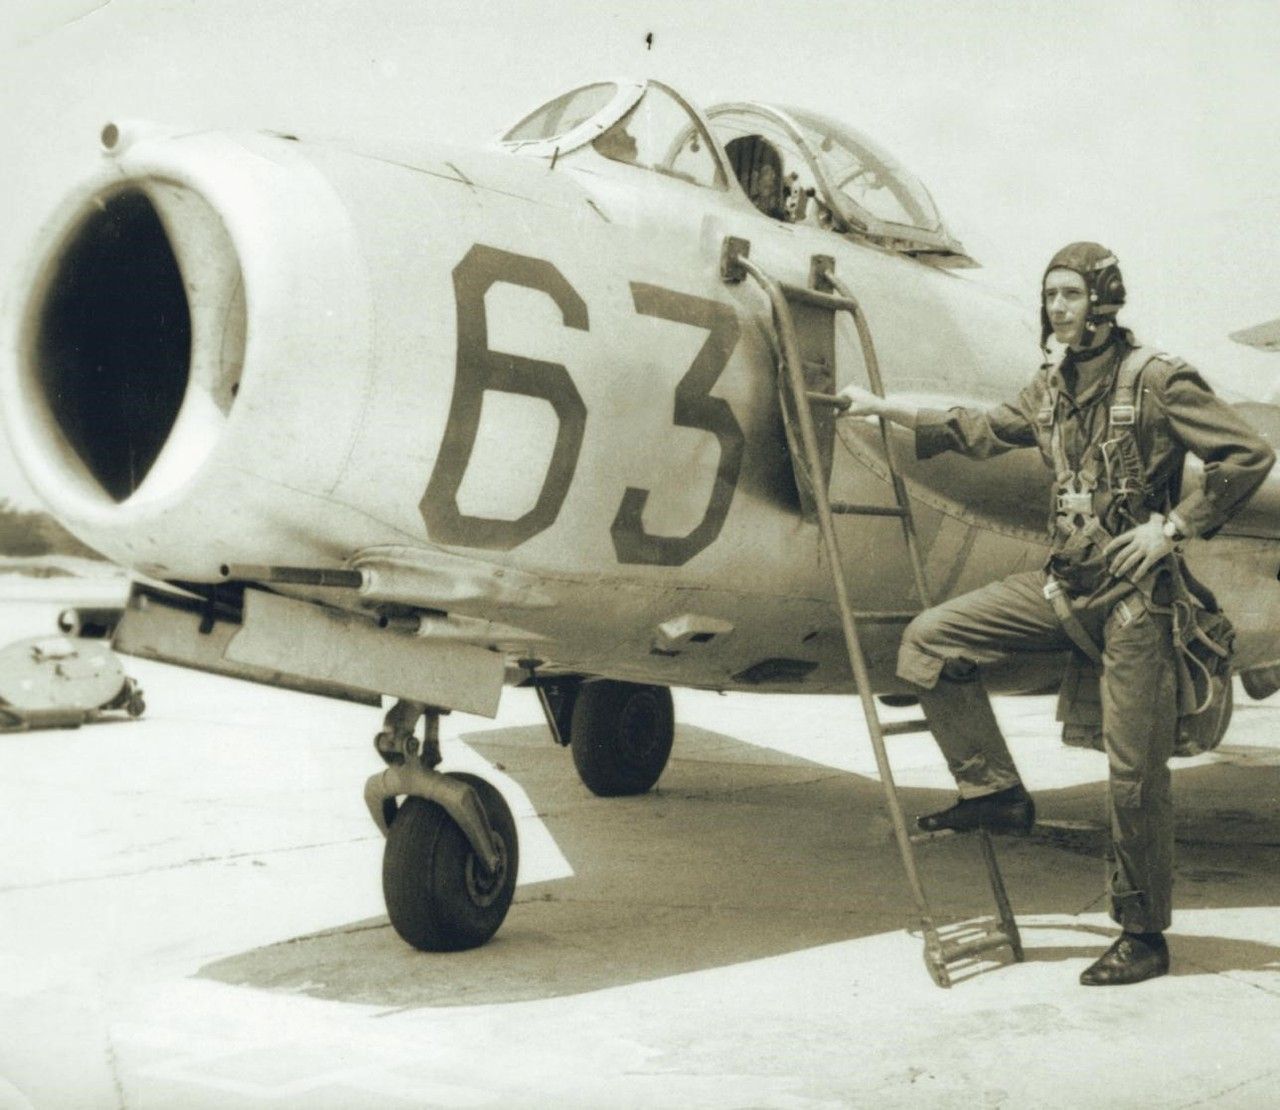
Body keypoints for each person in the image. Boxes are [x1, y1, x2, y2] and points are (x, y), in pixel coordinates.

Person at [836, 242, 1275, 985]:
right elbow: (979, 430)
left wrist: (1169, 528)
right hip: (1064, 588)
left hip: (1139, 605)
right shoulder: (1050, 387)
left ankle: (1143, 934)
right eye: (1051, 296)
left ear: (1103, 301)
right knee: (929, 642)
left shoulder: (1157, 378)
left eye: (1071, 295)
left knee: (1134, 778)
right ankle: (995, 792)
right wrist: (882, 408)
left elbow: (1247, 455)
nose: (1058, 308)